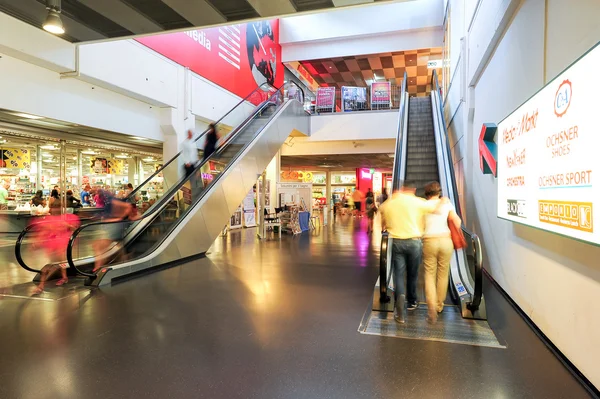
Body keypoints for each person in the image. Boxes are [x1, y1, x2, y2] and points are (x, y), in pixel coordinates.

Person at [379, 181, 448, 324]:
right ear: (411, 189)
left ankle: (400, 307)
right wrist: (444, 200)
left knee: (399, 274)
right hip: (415, 242)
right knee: (413, 273)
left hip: (396, 242)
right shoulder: (416, 201)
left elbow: (383, 224)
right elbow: (436, 208)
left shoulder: (388, 204)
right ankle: (412, 301)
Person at [422, 182, 461, 324]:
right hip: (445, 240)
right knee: (443, 273)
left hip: (429, 241)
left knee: (429, 273)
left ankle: (431, 305)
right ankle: (439, 305)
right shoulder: (447, 205)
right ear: (439, 192)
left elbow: (420, 226)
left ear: (427, 194)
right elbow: (457, 222)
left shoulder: (423, 206)